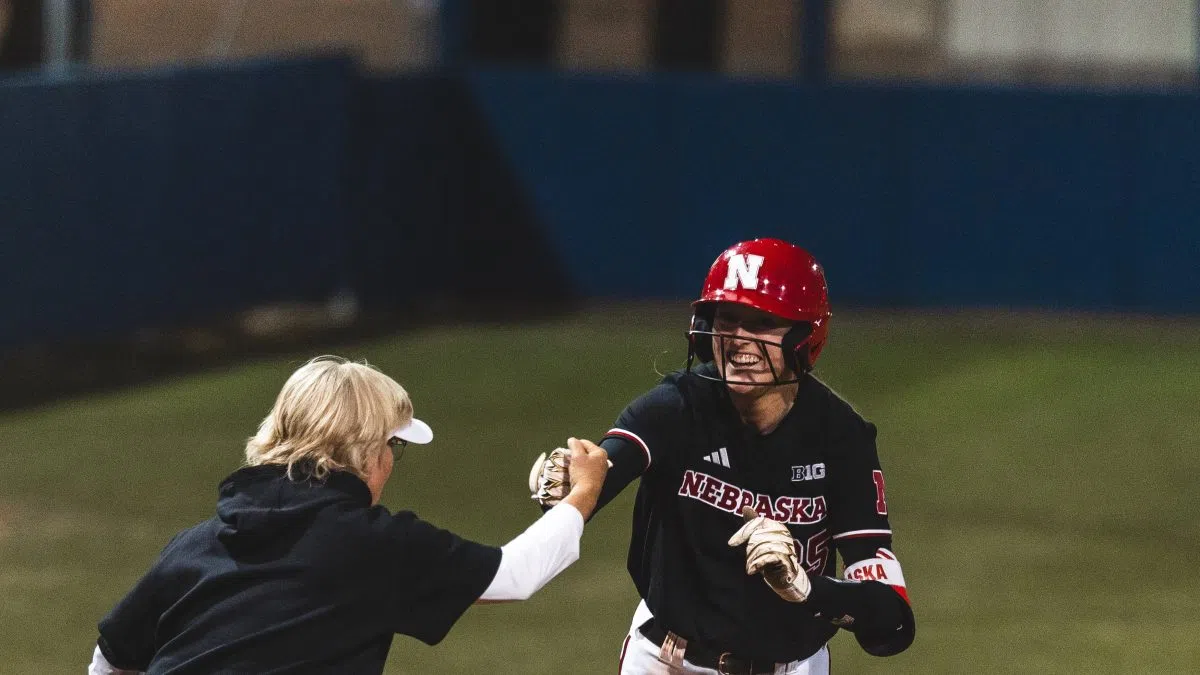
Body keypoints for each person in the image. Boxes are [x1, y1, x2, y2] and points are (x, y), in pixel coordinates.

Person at [531, 238, 915, 674]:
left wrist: (808, 589)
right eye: (728, 320)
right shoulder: (674, 408)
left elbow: (891, 621)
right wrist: (573, 486)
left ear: (806, 335)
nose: (738, 341)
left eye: (763, 323)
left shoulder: (842, 439)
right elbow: (600, 475)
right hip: (665, 661)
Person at [90, 355, 608, 675]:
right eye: (392, 448)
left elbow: (111, 659)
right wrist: (582, 495)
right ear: (365, 452)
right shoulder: (370, 544)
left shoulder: (196, 545)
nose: (390, 464)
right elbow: (513, 576)